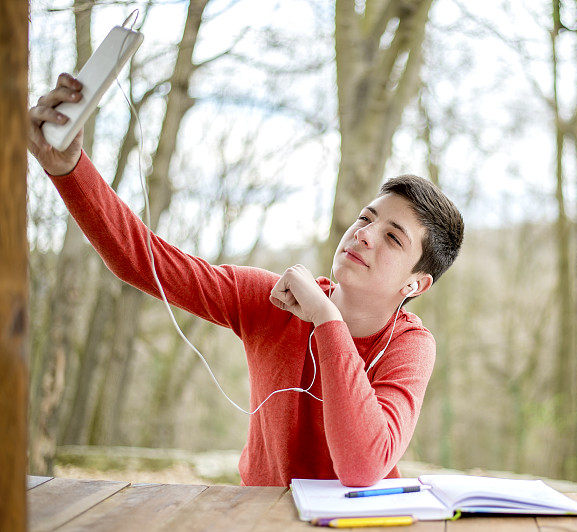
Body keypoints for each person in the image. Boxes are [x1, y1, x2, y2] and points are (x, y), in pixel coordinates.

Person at [28, 73, 465, 487]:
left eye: (392, 238)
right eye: (365, 218)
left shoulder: (411, 346)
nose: (364, 235)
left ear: (415, 285)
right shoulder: (273, 299)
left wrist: (327, 320)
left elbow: (362, 465)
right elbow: (145, 263)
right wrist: (69, 169)